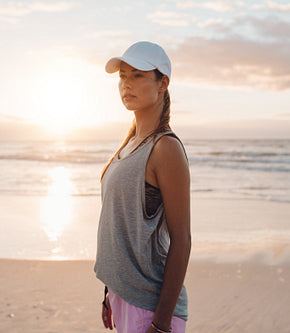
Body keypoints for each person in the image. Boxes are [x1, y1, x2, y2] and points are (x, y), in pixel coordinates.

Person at [94, 41, 191, 333]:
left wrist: (160, 326)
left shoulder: (165, 148)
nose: (126, 84)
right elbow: (118, 225)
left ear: (163, 83)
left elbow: (182, 239)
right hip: (125, 298)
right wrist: (110, 292)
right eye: (123, 76)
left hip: (151, 308)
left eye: (137, 75)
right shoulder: (130, 144)